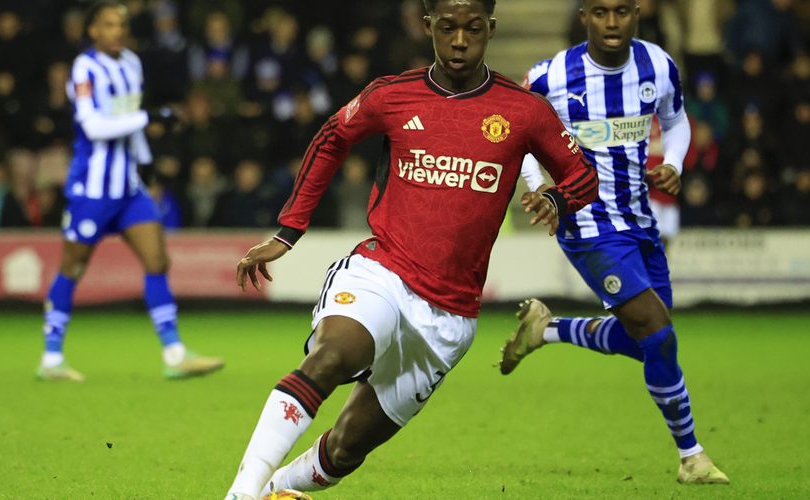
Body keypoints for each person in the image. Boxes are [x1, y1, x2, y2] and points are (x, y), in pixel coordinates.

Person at [224, 0, 599, 497]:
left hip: (449, 319)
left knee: (345, 449)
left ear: (491, 28)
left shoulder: (523, 110)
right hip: (382, 273)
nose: (459, 41)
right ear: (428, 27)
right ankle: (241, 493)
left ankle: (271, 488)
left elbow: (583, 176)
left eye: (472, 29)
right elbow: (333, 136)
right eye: (448, 28)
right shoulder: (392, 94)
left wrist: (557, 198)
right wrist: (288, 231)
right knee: (330, 358)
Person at [502, 0, 729, 485]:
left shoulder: (657, 64)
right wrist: (537, 185)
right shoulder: (549, 76)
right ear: (584, 15)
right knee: (659, 335)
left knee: (648, 342)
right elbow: (518, 136)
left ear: (637, 14)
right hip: (586, 225)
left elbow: (676, 120)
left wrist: (675, 163)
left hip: (640, 221)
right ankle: (692, 456)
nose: (611, 22)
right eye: (601, 11)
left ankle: (547, 330)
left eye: (621, 11)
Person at [36, 1, 223, 381]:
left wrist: (146, 161)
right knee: (72, 267)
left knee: (157, 260)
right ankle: (51, 358)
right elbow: (93, 126)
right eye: (108, 24)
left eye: (121, 24)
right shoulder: (85, 68)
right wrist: (149, 117)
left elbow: (130, 122)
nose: (117, 30)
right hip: (92, 189)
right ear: (93, 30)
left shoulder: (132, 63)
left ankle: (174, 353)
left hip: (129, 188)